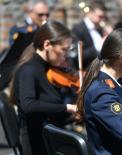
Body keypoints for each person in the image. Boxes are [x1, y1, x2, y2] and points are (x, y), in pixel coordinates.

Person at [9, 21, 77, 155]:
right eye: (64, 50)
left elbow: (50, 110)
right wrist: (67, 107)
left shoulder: (47, 68)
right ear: (47, 45)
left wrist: (75, 115)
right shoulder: (29, 70)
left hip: (51, 136)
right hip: (37, 144)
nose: (66, 55)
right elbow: (28, 105)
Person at [72, 1, 112, 68]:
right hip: (87, 70)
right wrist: (97, 47)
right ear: (90, 13)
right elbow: (77, 56)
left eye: (103, 17)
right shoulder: (78, 29)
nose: (102, 20)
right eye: (100, 16)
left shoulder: (100, 28)